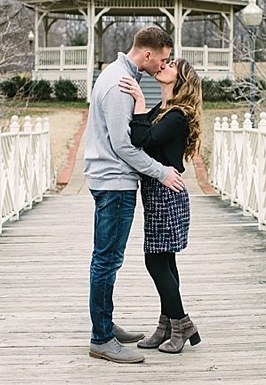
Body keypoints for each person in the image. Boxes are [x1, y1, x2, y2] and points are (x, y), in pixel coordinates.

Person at [84, 26, 186, 364]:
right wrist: (161, 172)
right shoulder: (119, 85)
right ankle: (101, 338)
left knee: (108, 258)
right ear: (147, 54)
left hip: (114, 180)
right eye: (163, 58)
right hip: (114, 182)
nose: (163, 65)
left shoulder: (121, 76)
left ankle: (105, 324)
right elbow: (123, 144)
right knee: (107, 260)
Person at [118, 57, 203, 354]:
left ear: (179, 80)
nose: (163, 66)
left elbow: (142, 137)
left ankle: (182, 323)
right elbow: (138, 132)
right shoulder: (163, 110)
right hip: (157, 192)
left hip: (167, 193)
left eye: (171, 66)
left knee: (155, 261)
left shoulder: (178, 115)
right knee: (165, 261)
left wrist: (139, 99)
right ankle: (167, 324)